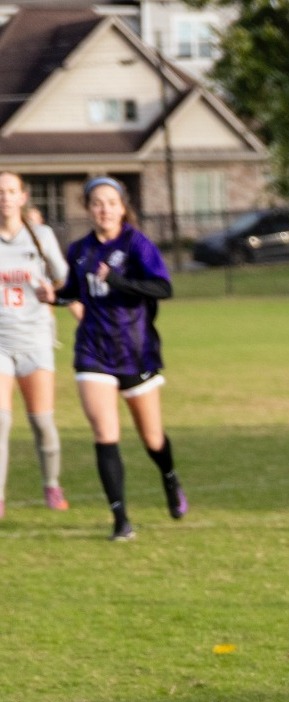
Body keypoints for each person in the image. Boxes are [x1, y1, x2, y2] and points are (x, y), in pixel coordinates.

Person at [56, 178, 181, 541]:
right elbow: (73, 292)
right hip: (93, 351)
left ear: (122, 207)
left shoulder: (137, 244)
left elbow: (163, 288)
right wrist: (54, 295)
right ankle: (121, 520)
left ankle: (169, 478)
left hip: (135, 351)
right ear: (88, 208)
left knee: (153, 438)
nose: (104, 209)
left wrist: (121, 282)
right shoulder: (79, 250)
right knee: (105, 435)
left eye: (111, 202)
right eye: (97, 203)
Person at [0, 170, 69, 518]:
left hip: (35, 338)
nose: (6, 197)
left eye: (12, 191)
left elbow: (63, 277)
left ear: (22, 197)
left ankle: (52, 484)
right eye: (0, 191)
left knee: (41, 420)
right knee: (0, 421)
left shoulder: (40, 236)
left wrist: (54, 294)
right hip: (0, 341)